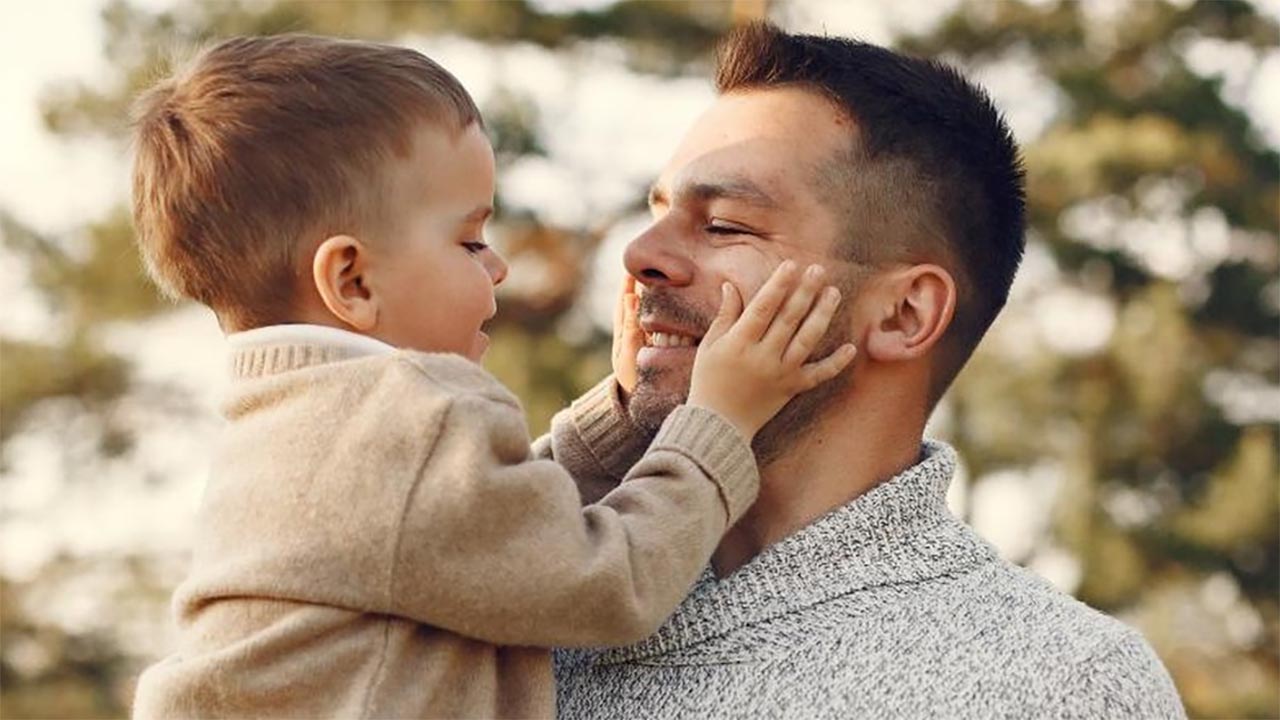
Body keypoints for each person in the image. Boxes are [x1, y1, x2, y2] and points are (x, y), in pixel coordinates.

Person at [126, 34, 857, 719]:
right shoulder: (411, 413)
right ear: (351, 280)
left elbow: (485, 532)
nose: (498, 266)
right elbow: (609, 584)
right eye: (470, 240)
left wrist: (625, 414)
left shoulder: (292, 421)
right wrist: (720, 421)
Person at [554, 21, 1187, 719]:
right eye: (661, 210)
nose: (640, 253)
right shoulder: (536, 591)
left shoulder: (1063, 685)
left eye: (726, 224)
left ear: (904, 315)